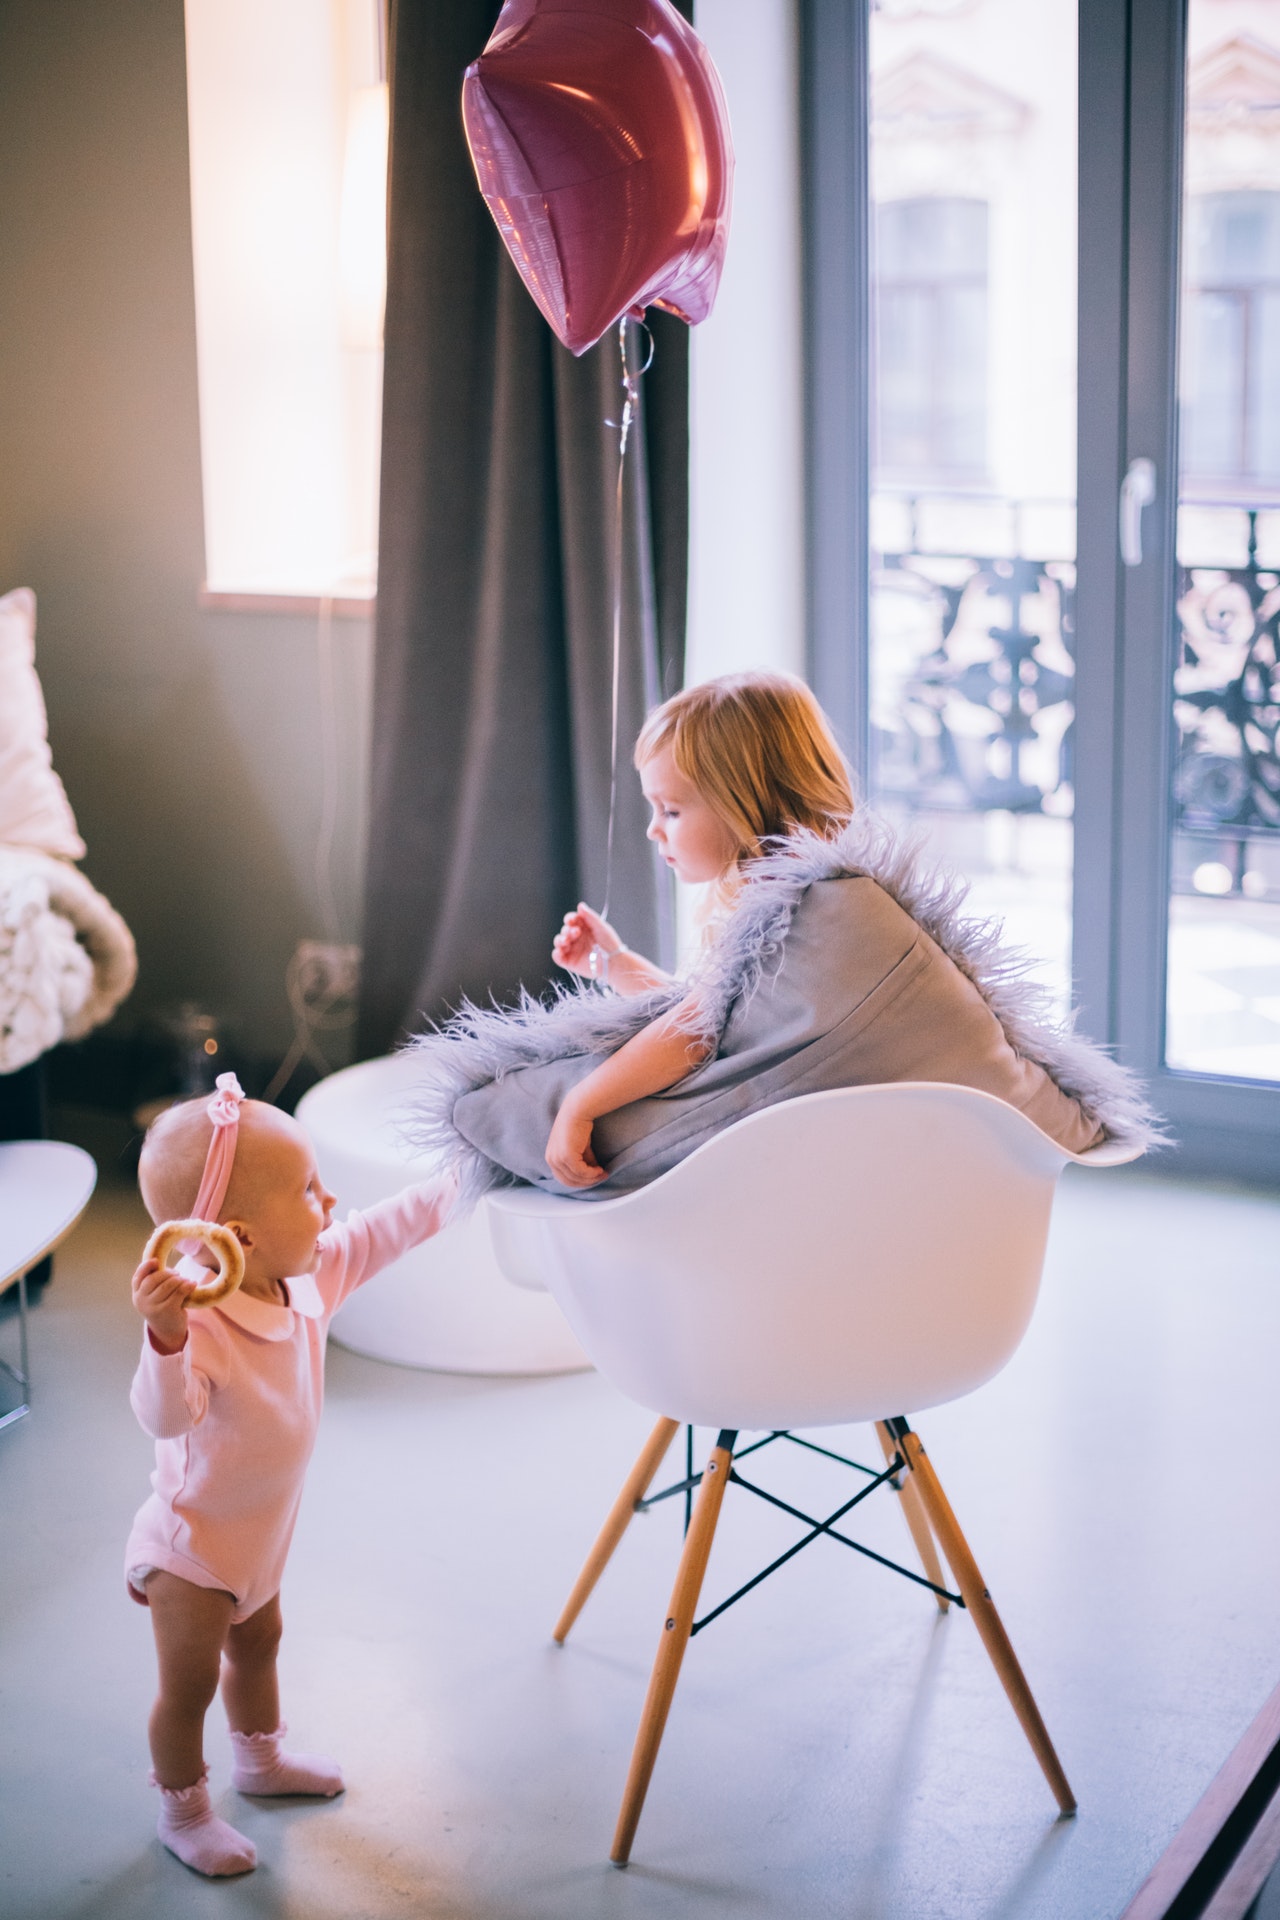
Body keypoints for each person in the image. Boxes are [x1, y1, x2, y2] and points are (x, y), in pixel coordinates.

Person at [414, 671, 1157, 1205]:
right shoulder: (791, 908)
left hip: (791, 1198)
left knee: (521, 1103)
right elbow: (716, 1018)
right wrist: (615, 965)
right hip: (875, 1187)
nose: (654, 831)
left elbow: (694, 1035)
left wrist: (580, 1107)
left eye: (672, 811)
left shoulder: (807, 909)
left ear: (743, 804)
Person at [125, 1074, 455, 1878]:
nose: (331, 1199)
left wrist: (471, 1173)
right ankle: (185, 1810)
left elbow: (388, 1228)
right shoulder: (200, 1321)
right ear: (238, 1233)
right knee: (191, 1684)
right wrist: (163, 1337)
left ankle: (261, 1761)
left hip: (260, 1535)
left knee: (263, 1644)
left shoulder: (306, 1279)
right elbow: (165, 1419)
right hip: (194, 1548)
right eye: (309, 1190)